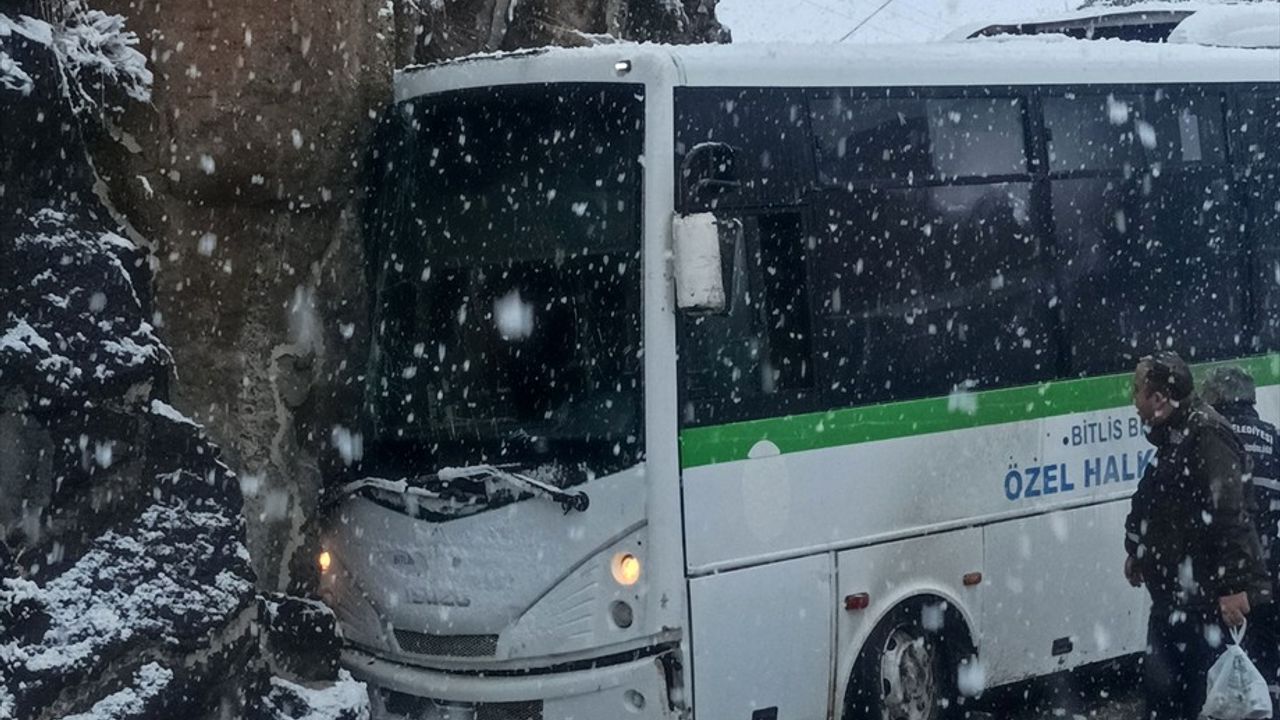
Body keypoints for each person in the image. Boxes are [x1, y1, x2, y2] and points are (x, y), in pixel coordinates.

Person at [1124, 351, 1272, 720]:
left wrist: (1235, 587)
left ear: (1158, 398)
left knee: (1200, 703)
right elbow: (1154, 504)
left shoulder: (1206, 434)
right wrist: (1138, 550)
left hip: (1202, 603)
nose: (1134, 400)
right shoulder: (1174, 436)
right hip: (1175, 600)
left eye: (1137, 390)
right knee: (1164, 702)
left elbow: (1229, 514)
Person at [1202, 365, 1280, 697]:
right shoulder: (1273, 438)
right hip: (1268, 571)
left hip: (1224, 574)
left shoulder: (1210, 437)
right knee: (1266, 658)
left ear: (1216, 399)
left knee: (1225, 662)